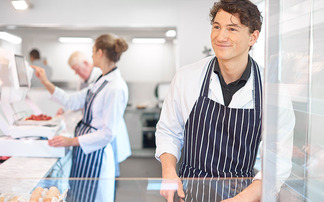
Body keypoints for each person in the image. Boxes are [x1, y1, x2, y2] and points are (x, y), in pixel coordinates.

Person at [155, 0, 294, 201]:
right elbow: (169, 130)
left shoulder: (274, 92)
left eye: (232, 29)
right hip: (190, 192)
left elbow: (277, 161)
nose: (221, 36)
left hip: (242, 195)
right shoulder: (187, 77)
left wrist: (241, 199)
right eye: (217, 27)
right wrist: (169, 172)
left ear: (253, 37)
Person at [32, 34, 130, 202]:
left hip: (97, 154)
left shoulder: (115, 87)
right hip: (86, 151)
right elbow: (72, 101)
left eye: (92, 52)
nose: (91, 56)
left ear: (100, 52)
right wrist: (46, 82)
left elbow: (107, 133)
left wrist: (71, 141)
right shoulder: (102, 80)